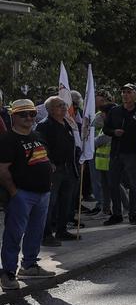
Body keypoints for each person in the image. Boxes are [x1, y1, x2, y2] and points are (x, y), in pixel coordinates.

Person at [0, 100, 56, 289]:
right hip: (22, 194)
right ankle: (8, 272)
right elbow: (3, 170)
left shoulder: (38, 135)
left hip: (43, 193)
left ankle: (29, 265)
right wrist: (14, 192)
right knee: (14, 234)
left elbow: (45, 158)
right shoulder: (7, 140)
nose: (29, 118)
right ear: (13, 116)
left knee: (36, 232)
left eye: (32, 113)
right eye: (23, 114)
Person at [36, 96, 79, 245]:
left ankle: (62, 230)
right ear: (50, 109)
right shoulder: (44, 125)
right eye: (59, 105)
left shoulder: (67, 122)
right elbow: (41, 145)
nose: (64, 107)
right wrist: (49, 162)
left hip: (68, 167)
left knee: (66, 202)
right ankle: (46, 234)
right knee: (50, 203)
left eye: (64, 104)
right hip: (54, 169)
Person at [104, 84, 136, 225]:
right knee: (113, 184)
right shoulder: (115, 111)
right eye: (123, 92)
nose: (125, 95)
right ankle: (117, 214)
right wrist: (113, 132)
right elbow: (106, 128)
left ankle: (132, 214)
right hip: (117, 152)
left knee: (133, 185)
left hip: (133, 153)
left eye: (128, 92)